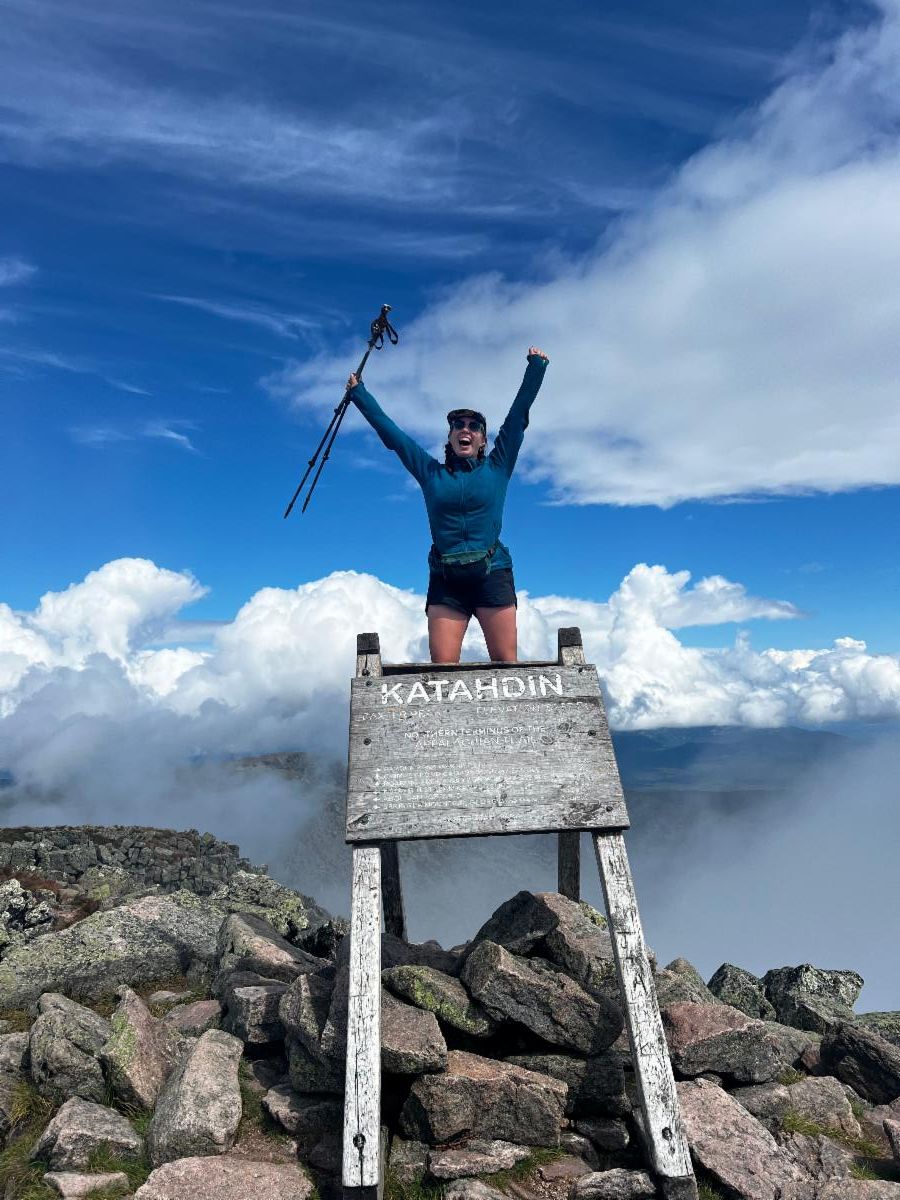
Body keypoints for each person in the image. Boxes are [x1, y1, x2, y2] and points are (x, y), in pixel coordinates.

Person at [347, 347, 550, 664]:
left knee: (507, 667)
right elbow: (394, 437)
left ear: (483, 440)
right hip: (446, 577)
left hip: (493, 573)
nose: (465, 429)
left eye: (474, 426)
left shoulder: (497, 466)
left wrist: (536, 366)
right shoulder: (431, 473)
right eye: (458, 425)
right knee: (442, 672)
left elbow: (517, 417)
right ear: (451, 437)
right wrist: (359, 394)